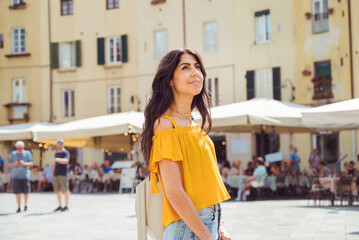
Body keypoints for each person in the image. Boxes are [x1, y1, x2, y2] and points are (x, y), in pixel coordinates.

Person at [141, 49, 231, 240]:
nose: (195, 72)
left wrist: (221, 226)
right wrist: (207, 236)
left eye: (197, 67)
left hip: (207, 224)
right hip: (188, 229)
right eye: (185, 67)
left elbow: (208, 185)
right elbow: (174, 193)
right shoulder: (165, 124)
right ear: (170, 80)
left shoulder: (193, 126)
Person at [8, 141, 33, 213]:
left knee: (26, 192)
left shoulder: (27, 153)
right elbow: (9, 164)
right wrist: (15, 163)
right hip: (16, 176)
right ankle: (18, 207)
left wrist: (24, 163)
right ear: (16, 148)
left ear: (23, 147)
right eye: (18, 148)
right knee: (17, 192)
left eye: (21, 148)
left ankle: (25, 205)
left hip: (25, 175)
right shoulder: (13, 154)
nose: (19, 150)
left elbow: (31, 163)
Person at [52, 139, 70, 212]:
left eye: (61, 144)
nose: (60, 145)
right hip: (56, 173)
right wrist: (52, 172)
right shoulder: (56, 153)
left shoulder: (65, 152)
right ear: (57, 145)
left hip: (63, 174)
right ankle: (60, 206)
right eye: (59, 144)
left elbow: (66, 161)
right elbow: (55, 164)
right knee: (57, 190)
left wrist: (56, 159)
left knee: (65, 190)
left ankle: (66, 206)